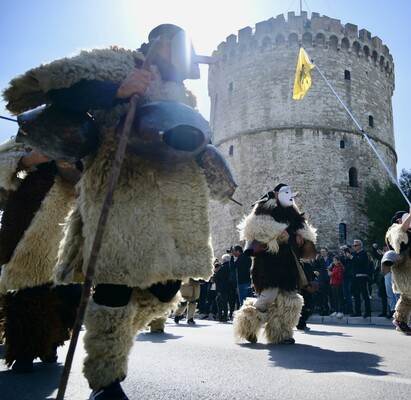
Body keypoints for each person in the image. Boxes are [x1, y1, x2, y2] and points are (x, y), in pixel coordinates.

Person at [4, 24, 226, 398]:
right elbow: (55, 85)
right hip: (121, 194)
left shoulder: (182, 93)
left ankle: (111, 328)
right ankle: (106, 380)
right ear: (164, 43)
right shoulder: (120, 63)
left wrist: (210, 161)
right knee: (116, 285)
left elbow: (188, 137)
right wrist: (116, 91)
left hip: (174, 206)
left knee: (165, 289)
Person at [0, 146, 80, 373]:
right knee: (27, 291)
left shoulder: (85, 138)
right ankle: (24, 351)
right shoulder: (29, 137)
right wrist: (26, 160)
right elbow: (3, 169)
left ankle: (50, 345)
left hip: (67, 227)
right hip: (28, 230)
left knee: (64, 293)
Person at [233, 183, 317, 344]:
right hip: (269, 263)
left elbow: (302, 228)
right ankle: (248, 327)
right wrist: (278, 231)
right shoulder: (265, 208)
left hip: (288, 262)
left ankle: (282, 334)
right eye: (286, 192)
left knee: (290, 298)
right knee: (268, 297)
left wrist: (301, 236)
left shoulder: (293, 213)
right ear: (277, 194)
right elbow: (254, 228)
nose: (290, 196)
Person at [383, 206, 411, 335]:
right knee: (408, 294)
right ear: (399, 220)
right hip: (404, 267)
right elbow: (400, 233)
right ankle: (400, 320)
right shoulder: (394, 230)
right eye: (407, 218)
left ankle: (400, 320)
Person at [347, 239, 372, 318]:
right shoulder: (354, 253)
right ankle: (357, 311)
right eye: (354, 245)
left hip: (362, 276)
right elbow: (350, 263)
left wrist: (351, 257)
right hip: (354, 276)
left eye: (356, 245)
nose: (354, 247)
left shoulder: (363, 253)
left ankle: (368, 311)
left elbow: (360, 261)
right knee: (356, 294)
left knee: (364, 294)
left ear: (360, 245)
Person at [214, 254, 231, 322]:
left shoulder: (224, 267)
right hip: (228, 286)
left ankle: (223, 316)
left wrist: (215, 272)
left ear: (224, 260)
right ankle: (221, 315)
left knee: (222, 301)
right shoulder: (230, 266)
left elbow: (217, 275)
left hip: (222, 286)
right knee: (219, 300)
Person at [338, 245, 354, 314]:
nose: (341, 252)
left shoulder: (351, 257)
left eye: (343, 250)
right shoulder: (342, 258)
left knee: (347, 294)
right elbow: (341, 259)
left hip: (348, 277)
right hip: (343, 277)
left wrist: (348, 255)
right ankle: (346, 308)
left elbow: (351, 262)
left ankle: (350, 309)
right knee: (345, 294)